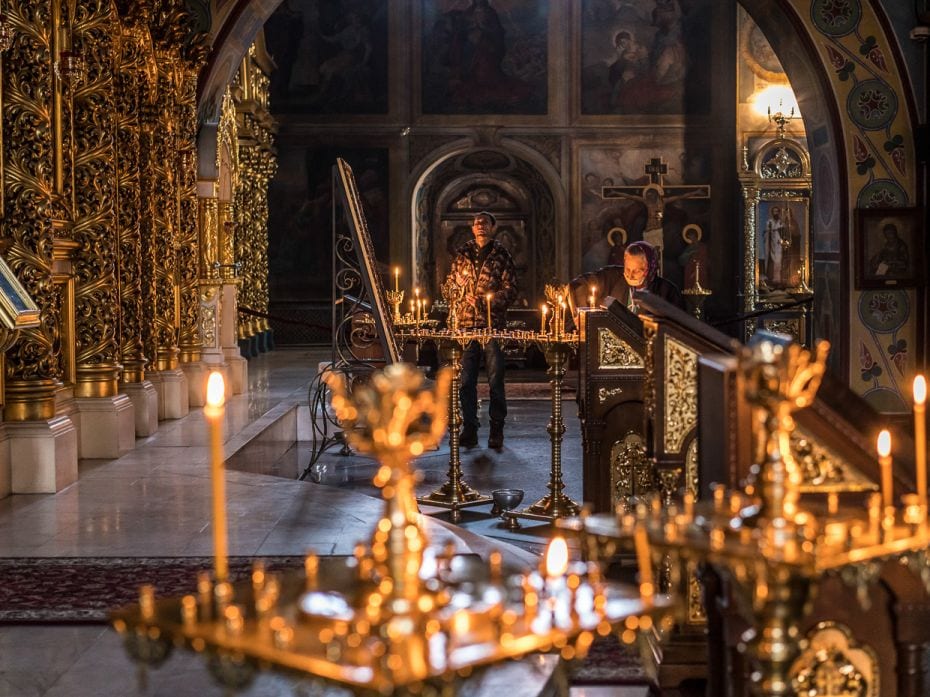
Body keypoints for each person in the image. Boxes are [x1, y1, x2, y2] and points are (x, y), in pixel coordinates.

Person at [447, 211, 517, 450]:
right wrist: (454, 292)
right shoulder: (463, 254)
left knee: (496, 379)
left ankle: (497, 428)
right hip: (466, 326)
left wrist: (485, 302)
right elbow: (451, 284)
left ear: (493, 227)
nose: (480, 227)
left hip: (492, 326)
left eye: (485, 223)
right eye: (477, 223)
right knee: (466, 381)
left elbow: (511, 289)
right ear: (471, 227)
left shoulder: (502, 255)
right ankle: (470, 427)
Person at [568, 240, 684, 319]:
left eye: (636, 270)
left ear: (650, 269)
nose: (630, 275)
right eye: (627, 269)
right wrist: (582, 313)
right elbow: (580, 284)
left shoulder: (668, 292)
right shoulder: (612, 276)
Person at [762, 205, 789, 289]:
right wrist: (770, 232)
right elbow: (766, 233)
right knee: (771, 261)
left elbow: (785, 233)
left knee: (779, 261)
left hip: (779, 245)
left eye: (777, 211)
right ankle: (771, 280)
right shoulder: (769, 222)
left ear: (779, 213)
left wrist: (782, 233)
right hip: (771, 245)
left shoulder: (781, 222)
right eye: (774, 212)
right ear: (772, 213)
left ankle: (778, 280)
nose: (775, 213)